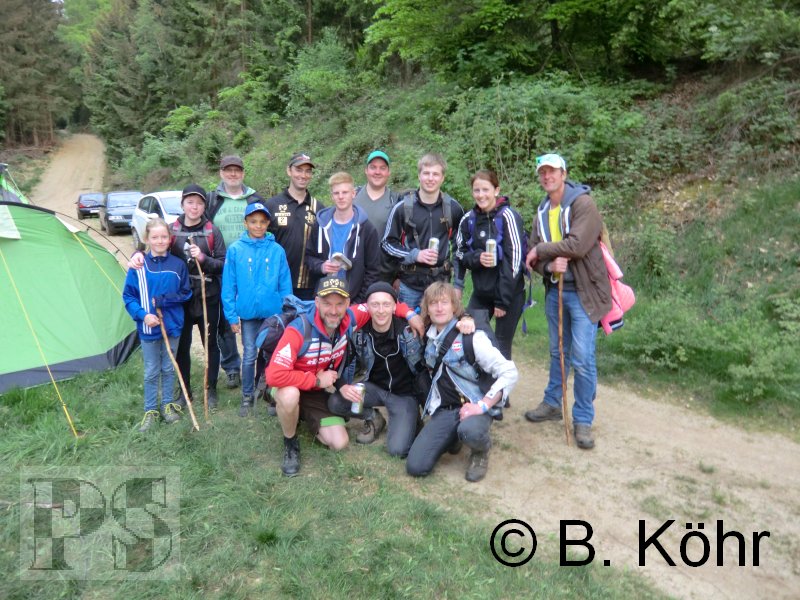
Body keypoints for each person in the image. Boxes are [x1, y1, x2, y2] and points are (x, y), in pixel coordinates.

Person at [266, 275, 424, 477]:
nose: (333, 310)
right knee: (290, 396)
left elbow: (384, 303)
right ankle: (290, 442)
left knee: (340, 443)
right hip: (297, 384)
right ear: (317, 302)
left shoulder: (350, 318)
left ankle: (300, 413)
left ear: (348, 304)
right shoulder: (298, 329)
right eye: (327, 303)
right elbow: (274, 375)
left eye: (339, 304)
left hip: (316, 391)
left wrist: (410, 314)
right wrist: (316, 380)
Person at [523, 153, 611, 450]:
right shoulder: (542, 210)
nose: (547, 176)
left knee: (582, 358)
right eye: (543, 172)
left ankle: (583, 419)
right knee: (557, 352)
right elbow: (533, 258)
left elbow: (577, 245)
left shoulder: (583, 204)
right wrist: (548, 265)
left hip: (584, 292)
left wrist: (541, 251)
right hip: (555, 290)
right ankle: (552, 403)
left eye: (552, 171)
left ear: (564, 173)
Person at [406, 282, 517, 482]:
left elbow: (509, 371)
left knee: (470, 431)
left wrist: (483, 405)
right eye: (433, 303)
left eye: (444, 302)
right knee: (416, 465)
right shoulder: (427, 335)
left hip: (474, 403)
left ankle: (480, 452)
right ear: (427, 309)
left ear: (454, 307)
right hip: (445, 408)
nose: (439, 308)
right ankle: (452, 437)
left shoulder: (472, 337)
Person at [221, 202, 292, 417]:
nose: (258, 226)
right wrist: (231, 316)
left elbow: (285, 283)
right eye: (253, 221)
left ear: (268, 223)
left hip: (273, 314)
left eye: (262, 222)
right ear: (246, 223)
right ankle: (247, 395)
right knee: (250, 354)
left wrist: (287, 312)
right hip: (248, 315)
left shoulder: (277, 250)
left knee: (272, 355)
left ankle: (272, 394)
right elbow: (229, 285)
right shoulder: (236, 250)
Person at [123, 219, 192, 432]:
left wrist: (165, 300)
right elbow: (128, 297)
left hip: (172, 326)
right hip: (148, 328)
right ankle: (151, 409)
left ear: (170, 238)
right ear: (147, 239)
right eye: (155, 237)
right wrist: (144, 316)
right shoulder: (139, 266)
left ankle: (167, 405)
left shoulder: (178, 265)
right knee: (152, 370)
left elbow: (186, 292)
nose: (160, 241)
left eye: (164, 237)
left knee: (169, 367)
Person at [454, 169, 527, 360]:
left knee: (501, 347)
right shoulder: (468, 220)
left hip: (509, 294)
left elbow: (514, 261)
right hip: (481, 293)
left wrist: (502, 301)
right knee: (468, 336)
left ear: (496, 190)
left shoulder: (508, 217)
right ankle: (477, 379)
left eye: (485, 190)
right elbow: (460, 253)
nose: (481, 195)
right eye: (476, 190)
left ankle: (503, 381)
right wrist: (477, 258)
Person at [206, 155, 265, 390]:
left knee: (256, 316)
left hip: (253, 270)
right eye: (228, 170)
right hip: (221, 268)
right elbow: (199, 226)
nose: (233, 174)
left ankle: (261, 368)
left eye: (237, 170)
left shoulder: (254, 198)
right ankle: (231, 367)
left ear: (243, 173)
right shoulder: (212, 199)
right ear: (221, 173)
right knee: (225, 320)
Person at [382, 153, 465, 310]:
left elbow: (461, 249)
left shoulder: (453, 208)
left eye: (435, 174)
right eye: (426, 173)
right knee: (409, 325)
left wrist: (458, 285)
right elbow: (387, 243)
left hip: (441, 284)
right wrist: (415, 255)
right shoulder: (402, 208)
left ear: (443, 178)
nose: (430, 178)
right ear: (419, 175)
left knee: (439, 325)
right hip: (410, 284)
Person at [169, 184, 227, 411]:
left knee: (210, 344)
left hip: (207, 295)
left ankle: (210, 389)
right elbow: (154, 251)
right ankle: (184, 392)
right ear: (182, 204)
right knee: (182, 346)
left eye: (199, 203)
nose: (194, 207)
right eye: (190, 202)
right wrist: (137, 254)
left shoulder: (212, 231)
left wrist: (203, 259)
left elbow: (222, 264)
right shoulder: (172, 230)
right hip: (181, 298)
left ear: (205, 206)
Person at [305, 172, 380, 303]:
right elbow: (308, 257)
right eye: (336, 193)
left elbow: (373, 271)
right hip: (324, 297)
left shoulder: (366, 228)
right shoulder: (320, 225)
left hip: (352, 298)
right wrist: (321, 266)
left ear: (353, 194)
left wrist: (358, 301)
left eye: (345, 192)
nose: (340, 197)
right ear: (332, 196)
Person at [265, 152, 323, 300]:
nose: (303, 175)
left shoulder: (319, 208)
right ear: (289, 170)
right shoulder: (272, 205)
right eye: (299, 170)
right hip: (277, 283)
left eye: (308, 171)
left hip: (309, 286)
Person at [353, 150, 399, 281]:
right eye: (373, 167)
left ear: (388, 172)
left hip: (384, 274)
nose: (377, 172)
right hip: (354, 271)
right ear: (366, 170)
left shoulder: (396, 201)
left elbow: (401, 240)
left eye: (382, 168)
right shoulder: (353, 196)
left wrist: (399, 276)